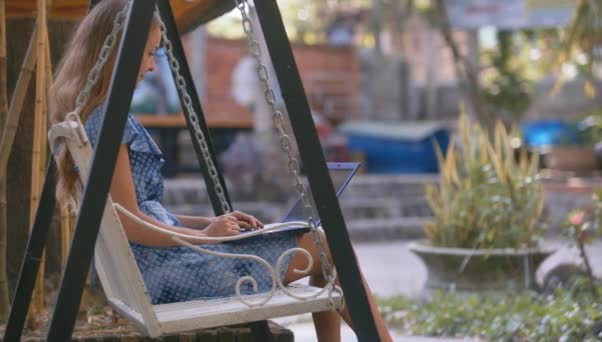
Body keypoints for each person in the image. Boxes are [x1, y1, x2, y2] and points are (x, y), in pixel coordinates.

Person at [49, 1, 392, 341]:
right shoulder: (107, 123)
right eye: (148, 53)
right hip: (170, 273)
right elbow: (128, 222)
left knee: (320, 242)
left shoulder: (97, 118)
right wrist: (206, 237)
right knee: (328, 246)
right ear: (115, 52)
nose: (152, 66)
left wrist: (208, 226)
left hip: (165, 264)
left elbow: (135, 212)